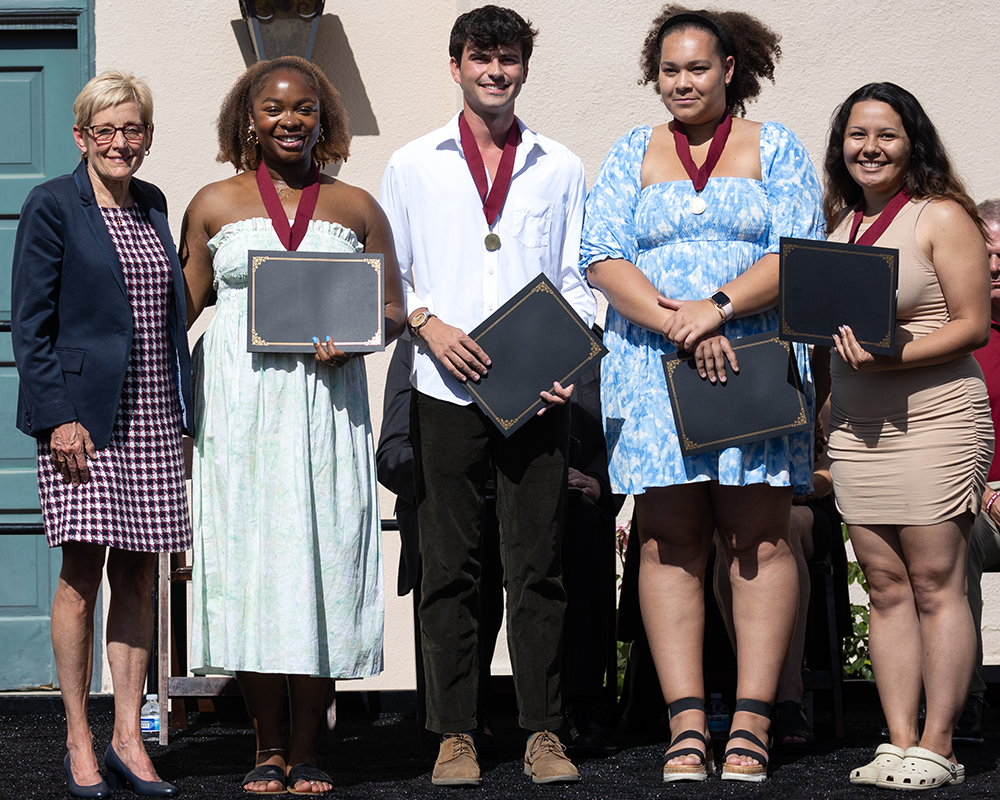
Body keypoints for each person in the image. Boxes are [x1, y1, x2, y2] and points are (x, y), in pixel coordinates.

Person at [580, 6, 823, 783]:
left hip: (750, 360)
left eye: (697, 68)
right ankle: (687, 723)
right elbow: (601, 255)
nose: (682, 82)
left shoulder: (774, 146)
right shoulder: (629, 151)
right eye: (670, 69)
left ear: (729, 70)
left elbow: (797, 252)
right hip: (651, 365)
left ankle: (752, 719)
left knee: (760, 537)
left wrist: (715, 309)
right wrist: (678, 322)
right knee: (668, 539)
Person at [378, 4, 596, 787]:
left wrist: (569, 357)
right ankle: (455, 734)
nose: (494, 71)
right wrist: (429, 326)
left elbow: (579, 278)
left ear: (525, 69)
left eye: (508, 59)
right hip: (443, 388)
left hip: (536, 397)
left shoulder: (560, 164)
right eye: (481, 58)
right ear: (456, 65)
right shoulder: (412, 164)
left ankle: (542, 729)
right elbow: (390, 281)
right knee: (449, 568)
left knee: (538, 565)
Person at [181, 56, 404, 795]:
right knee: (251, 568)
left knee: (321, 567)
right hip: (240, 413)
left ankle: (310, 747)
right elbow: (178, 310)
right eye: (274, 109)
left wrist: (361, 329)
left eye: (303, 109)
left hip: (326, 405)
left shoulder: (356, 206)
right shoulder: (212, 202)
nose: (289, 121)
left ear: (323, 118)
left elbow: (394, 310)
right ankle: (265, 744)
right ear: (248, 117)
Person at [11, 70, 191, 799]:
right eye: (106, 130)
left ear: (147, 137)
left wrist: (184, 414)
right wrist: (57, 417)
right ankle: (78, 738)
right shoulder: (51, 203)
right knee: (83, 576)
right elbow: (32, 322)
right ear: (83, 136)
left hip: (152, 415)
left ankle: (128, 736)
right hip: (82, 423)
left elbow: (167, 320)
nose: (121, 142)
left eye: (133, 129)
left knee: (141, 576)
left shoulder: (153, 204)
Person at [821, 83, 992, 790]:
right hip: (858, 431)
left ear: (912, 141)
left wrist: (893, 354)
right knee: (885, 587)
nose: (870, 148)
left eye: (886, 135)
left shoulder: (941, 216)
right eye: (857, 135)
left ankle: (940, 743)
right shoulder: (837, 227)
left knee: (934, 582)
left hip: (935, 421)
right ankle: (896, 741)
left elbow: (971, 325)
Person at [960, 199, 1000, 745]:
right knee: (954, 536)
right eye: (984, 251)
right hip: (976, 502)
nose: (994, 264)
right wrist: (985, 490)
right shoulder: (953, 333)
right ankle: (963, 698)